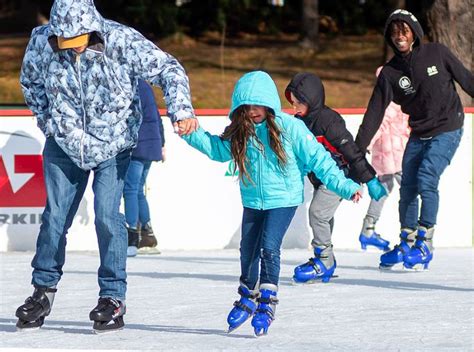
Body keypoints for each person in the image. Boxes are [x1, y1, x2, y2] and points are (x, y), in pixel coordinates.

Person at [15, 0, 197, 333]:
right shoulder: (42, 40)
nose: (70, 48)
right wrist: (48, 122)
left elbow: (168, 68)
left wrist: (180, 110)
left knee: (107, 216)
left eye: (76, 41)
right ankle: (42, 291)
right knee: (55, 217)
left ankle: (112, 297)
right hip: (65, 140)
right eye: (63, 41)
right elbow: (30, 82)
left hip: (114, 142)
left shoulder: (121, 40)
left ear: (91, 28)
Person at [180, 71, 362, 336]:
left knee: (269, 247)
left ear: (268, 104)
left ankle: (267, 301)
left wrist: (345, 186)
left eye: (257, 105)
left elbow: (319, 160)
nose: (253, 111)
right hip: (254, 199)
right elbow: (217, 150)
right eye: (247, 107)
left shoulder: (290, 127)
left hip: (284, 199)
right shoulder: (242, 131)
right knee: (247, 249)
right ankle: (247, 295)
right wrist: (191, 133)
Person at [355, 9, 473, 270]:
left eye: (404, 31)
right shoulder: (389, 73)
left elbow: (467, 81)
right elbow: (374, 112)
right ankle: (407, 241)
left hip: (448, 127)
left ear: (414, 33)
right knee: (407, 187)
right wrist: (356, 150)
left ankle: (424, 242)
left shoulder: (437, 54)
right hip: (418, 133)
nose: (400, 37)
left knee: (427, 177)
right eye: (394, 32)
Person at [284, 72, 387, 285]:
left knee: (317, 213)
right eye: (293, 104)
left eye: (299, 103)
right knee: (323, 215)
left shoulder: (328, 121)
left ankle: (324, 261)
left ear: (311, 99)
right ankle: (325, 261)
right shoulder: (299, 122)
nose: (295, 109)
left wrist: (369, 179)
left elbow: (351, 151)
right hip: (322, 179)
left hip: (343, 176)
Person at [359, 67, 410, 250]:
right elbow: (377, 125)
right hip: (395, 154)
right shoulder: (391, 102)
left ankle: (368, 229)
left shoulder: (392, 100)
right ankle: (410, 234)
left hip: (388, 154)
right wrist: (365, 146)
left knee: (382, 190)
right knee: (410, 189)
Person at [125, 80, 165, 257]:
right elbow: (157, 117)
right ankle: (148, 235)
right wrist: (161, 144)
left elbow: (130, 116)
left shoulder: (130, 84)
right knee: (138, 190)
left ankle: (132, 235)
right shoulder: (146, 86)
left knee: (130, 189)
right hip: (152, 144)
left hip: (138, 144)